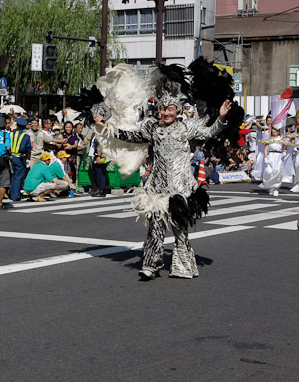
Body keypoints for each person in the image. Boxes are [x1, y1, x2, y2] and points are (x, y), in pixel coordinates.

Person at [93, 87, 232, 281]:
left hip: (181, 187)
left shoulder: (186, 127)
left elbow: (209, 132)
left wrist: (221, 118)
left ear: (178, 110)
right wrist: (108, 126)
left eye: (170, 109)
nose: (166, 112)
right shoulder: (152, 128)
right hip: (158, 186)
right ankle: (150, 265)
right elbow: (130, 136)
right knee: (155, 224)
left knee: (179, 228)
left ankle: (183, 265)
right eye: (163, 109)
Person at [258, 126, 287, 197]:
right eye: (274, 129)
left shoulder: (281, 139)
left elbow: (285, 148)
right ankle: (271, 186)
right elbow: (266, 149)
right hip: (271, 156)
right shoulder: (269, 139)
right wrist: (265, 157)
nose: (275, 131)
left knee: (278, 172)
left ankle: (276, 189)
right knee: (269, 171)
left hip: (279, 157)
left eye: (277, 130)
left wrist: (284, 153)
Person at [9, 117, 32, 201]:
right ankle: (15, 195)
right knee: (18, 177)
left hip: (10, 157)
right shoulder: (25, 136)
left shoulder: (10, 134)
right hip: (20, 157)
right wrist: (28, 159)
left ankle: (11, 193)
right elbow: (28, 149)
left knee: (12, 176)